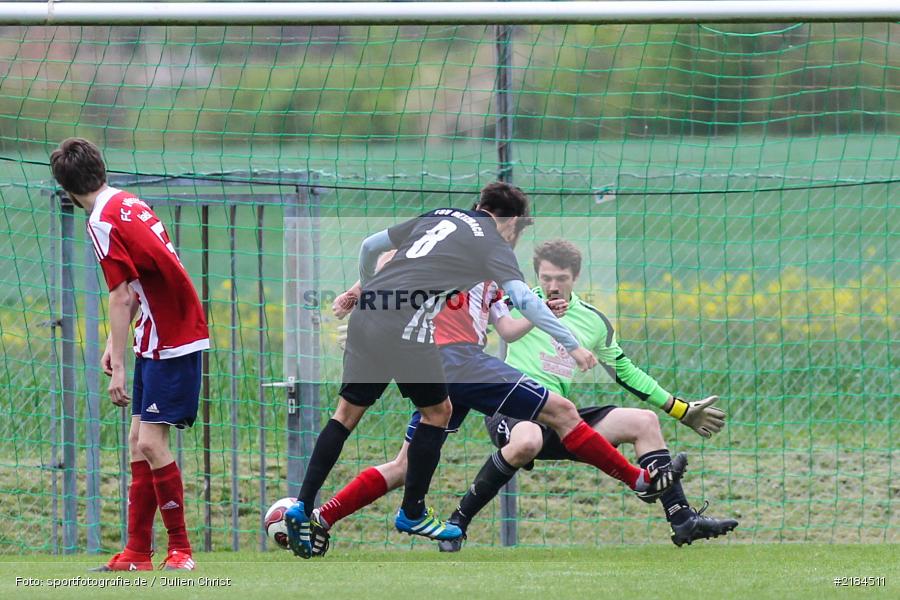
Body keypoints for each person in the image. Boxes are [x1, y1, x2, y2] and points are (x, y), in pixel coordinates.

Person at [284, 182, 654, 559]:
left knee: (399, 456)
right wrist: (571, 344)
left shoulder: (443, 228)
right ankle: (638, 479)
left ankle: (314, 513)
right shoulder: (489, 247)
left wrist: (363, 290)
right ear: (510, 224)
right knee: (561, 411)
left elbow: (504, 324)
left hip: (401, 337)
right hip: (454, 359)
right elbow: (520, 298)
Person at [438, 239, 737, 550]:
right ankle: (457, 522)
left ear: (575, 277)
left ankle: (683, 519)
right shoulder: (514, 307)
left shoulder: (593, 320)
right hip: (512, 409)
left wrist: (680, 410)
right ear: (536, 276)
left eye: (561, 278)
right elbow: (466, 335)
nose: (553, 286)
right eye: (546, 278)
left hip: (559, 417)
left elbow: (625, 371)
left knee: (644, 422)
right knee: (527, 439)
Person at [50, 138, 208, 571]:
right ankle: (137, 552)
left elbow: (120, 296)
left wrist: (117, 365)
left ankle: (181, 550)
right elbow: (142, 282)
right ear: (101, 169)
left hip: (170, 336)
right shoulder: (127, 201)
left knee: (153, 443)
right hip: (161, 329)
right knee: (137, 443)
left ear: (65, 188)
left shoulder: (100, 220)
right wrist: (112, 345)